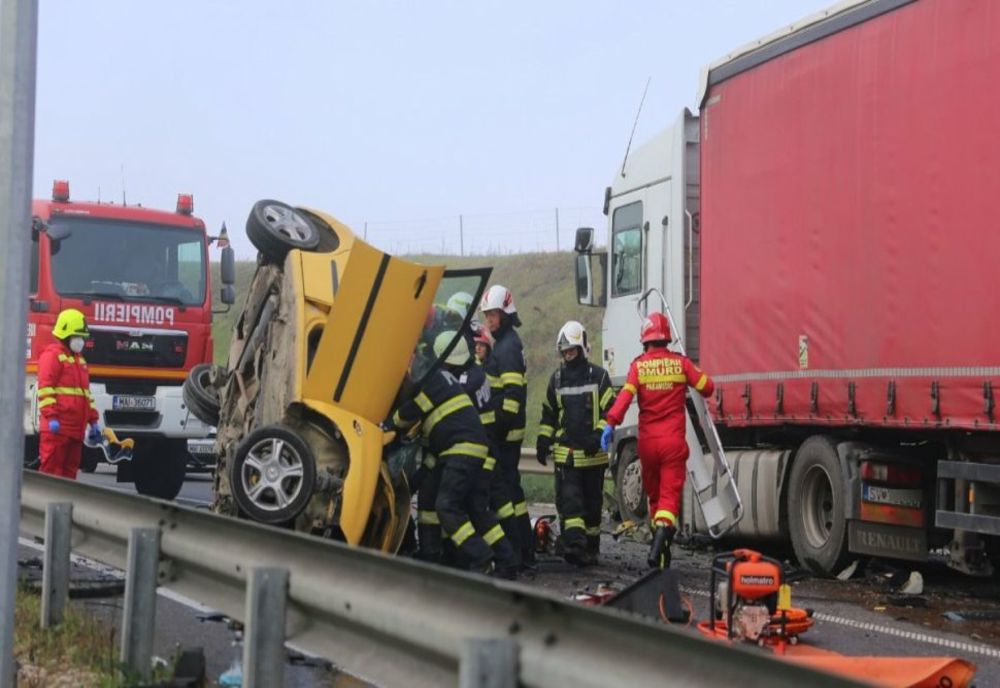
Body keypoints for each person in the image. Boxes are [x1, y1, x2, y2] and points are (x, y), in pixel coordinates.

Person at [388, 332, 508, 575]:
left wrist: (388, 426)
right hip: (467, 449)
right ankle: (505, 560)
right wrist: (413, 484)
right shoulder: (443, 378)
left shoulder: (431, 381)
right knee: (473, 508)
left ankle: (481, 558)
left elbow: (409, 412)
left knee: (447, 506)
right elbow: (434, 446)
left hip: (461, 450)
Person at [602, 312, 714, 569]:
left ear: (645, 340)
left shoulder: (638, 366)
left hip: (648, 445)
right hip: (673, 443)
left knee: (654, 497)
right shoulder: (681, 364)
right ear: (667, 338)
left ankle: (660, 552)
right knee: (669, 498)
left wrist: (610, 424)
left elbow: (624, 400)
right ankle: (662, 538)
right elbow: (707, 387)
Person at [537, 321, 614, 566]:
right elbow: (549, 414)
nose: (568, 355)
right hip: (567, 456)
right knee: (571, 505)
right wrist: (543, 439)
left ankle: (591, 549)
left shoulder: (599, 377)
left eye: (572, 350)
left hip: (593, 456)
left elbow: (610, 412)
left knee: (593, 509)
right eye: (565, 351)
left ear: (582, 349)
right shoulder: (556, 379)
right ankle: (574, 546)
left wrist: (598, 436)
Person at [479, 285, 533, 570]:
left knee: (506, 494)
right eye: (487, 315)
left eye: (493, 314)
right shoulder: (505, 343)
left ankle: (519, 551)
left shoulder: (509, 346)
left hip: (505, 434)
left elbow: (512, 399)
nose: (489, 320)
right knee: (513, 493)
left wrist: (494, 433)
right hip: (506, 433)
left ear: (506, 313)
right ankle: (524, 550)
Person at [38, 308, 101, 478]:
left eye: (82, 337)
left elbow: (86, 395)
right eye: (77, 336)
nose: (80, 341)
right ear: (66, 335)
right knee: (51, 473)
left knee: (69, 476)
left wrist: (93, 420)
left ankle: (64, 505)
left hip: (75, 431)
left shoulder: (79, 360)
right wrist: (51, 418)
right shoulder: (52, 356)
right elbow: (45, 390)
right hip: (57, 430)